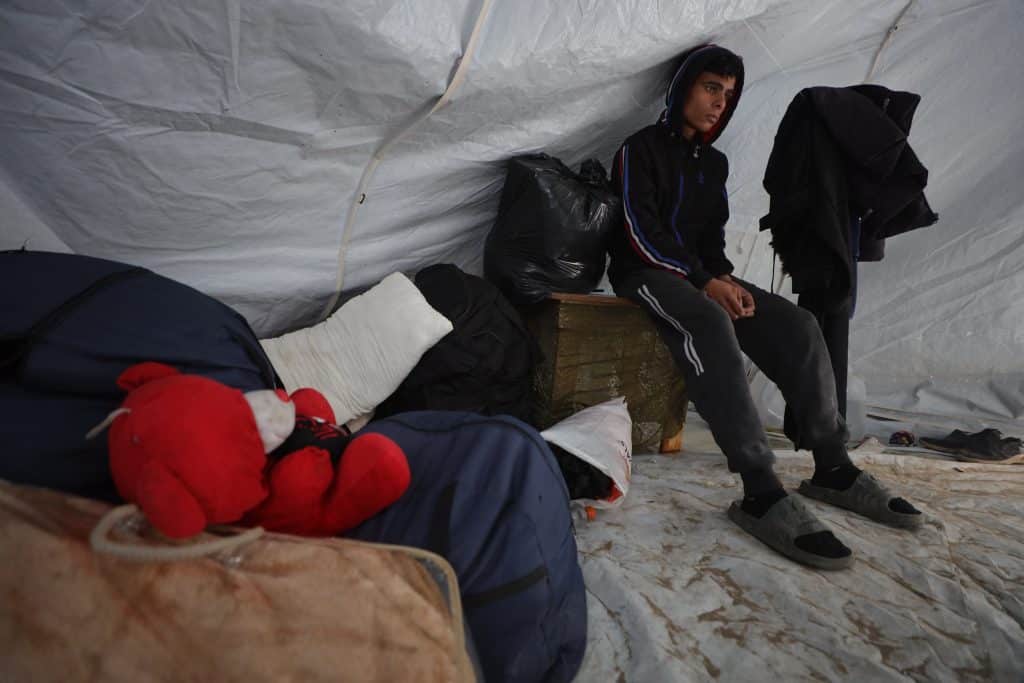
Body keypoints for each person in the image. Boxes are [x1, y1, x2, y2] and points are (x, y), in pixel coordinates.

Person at [607, 44, 922, 570]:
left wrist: (725, 277)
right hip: (643, 273)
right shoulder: (638, 150)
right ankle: (759, 489)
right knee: (709, 319)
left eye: (728, 96)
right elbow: (642, 235)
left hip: (700, 276)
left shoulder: (714, 163)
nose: (719, 104)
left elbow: (708, 241)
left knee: (796, 324)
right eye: (710, 88)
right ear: (682, 87)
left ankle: (833, 466)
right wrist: (708, 283)